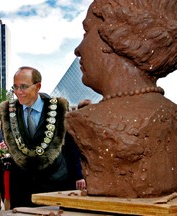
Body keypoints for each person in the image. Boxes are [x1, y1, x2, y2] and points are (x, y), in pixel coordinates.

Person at [65, 0, 177, 198]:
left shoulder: (87, 122)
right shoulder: (171, 114)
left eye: (86, 33)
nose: (78, 49)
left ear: (113, 37)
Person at [0, 66, 85, 208]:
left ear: (38, 86)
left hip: (55, 183)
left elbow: (71, 145)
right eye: (15, 87)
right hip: (22, 187)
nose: (18, 92)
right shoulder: (8, 112)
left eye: (23, 87)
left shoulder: (58, 109)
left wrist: (78, 175)